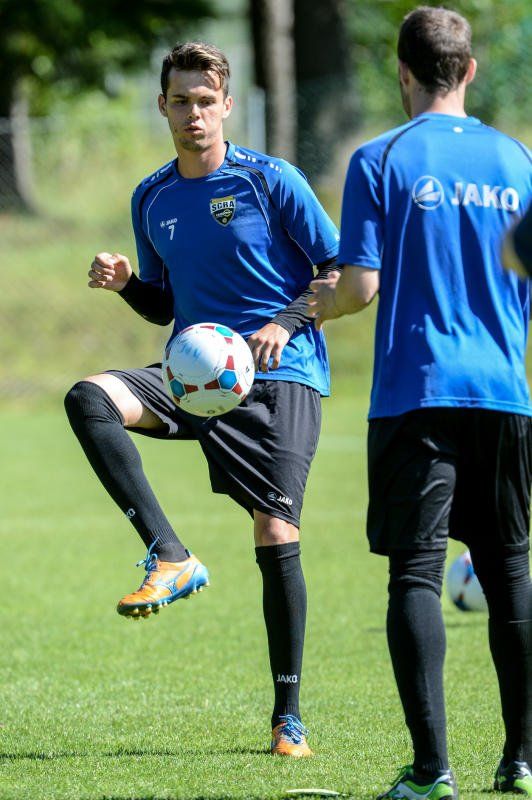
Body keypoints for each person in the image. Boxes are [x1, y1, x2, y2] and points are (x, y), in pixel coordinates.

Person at [64, 41, 340, 757]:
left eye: (206, 101)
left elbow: (338, 268)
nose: (195, 113)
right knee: (90, 398)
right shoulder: (151, 197)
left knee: (275, 531)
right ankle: (170, 555)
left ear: (227, 106)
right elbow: (163, 305)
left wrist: (285, 322)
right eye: (182, 101)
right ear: (162, 106)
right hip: (193, 374)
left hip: (280, 374)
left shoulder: (270, 180)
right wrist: (127, 284)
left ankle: (288, 719)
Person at [308, 7, 531, 799]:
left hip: (417, 392)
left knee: (416, 574)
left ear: (401, 72)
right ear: (468, 70)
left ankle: (434, 771)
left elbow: (361, 286)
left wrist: (317, 308)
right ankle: (522, 761)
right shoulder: (519, 159)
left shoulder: (380, 157)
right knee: (510, 571)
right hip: (504, 391)